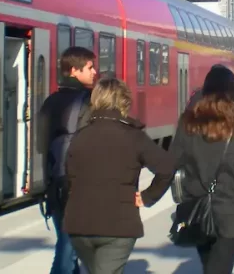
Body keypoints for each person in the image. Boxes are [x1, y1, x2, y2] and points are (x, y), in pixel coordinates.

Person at [63, 77, 175, 273]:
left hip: (79, 224)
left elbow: (69, 175)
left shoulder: (80, 136)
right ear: (125, 102)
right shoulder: (134, 136)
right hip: (118, 226)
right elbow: (166, 168)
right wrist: (148, 196)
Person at [170, 65, 234, 274]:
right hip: (231, 215)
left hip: (196, 209)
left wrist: (149, 195)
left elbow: (170, 164)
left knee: (211, 267)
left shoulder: (188, 123)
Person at [38, 46, 97, 274]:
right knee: (68, 248)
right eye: (90, 68)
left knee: (68, 245)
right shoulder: (88, 102)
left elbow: (40, 145)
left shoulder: (50, 102)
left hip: (55, 184)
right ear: (74, 70)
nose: (94, 73)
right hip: (79, 187)